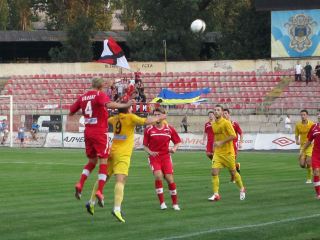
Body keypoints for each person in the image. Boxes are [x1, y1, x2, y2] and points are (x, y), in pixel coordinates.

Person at [86, 106, 166, 223]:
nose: (131, 110)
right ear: (128, 110)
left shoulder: (115, 118)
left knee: (104, 178)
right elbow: (146, 121)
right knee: (121, 180)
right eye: (130, 108)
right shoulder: (130, 117)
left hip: (112, 152)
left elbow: (103, 120)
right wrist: (160, 118)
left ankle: (91, 202)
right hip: (122, 155)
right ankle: (117, 209)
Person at [69, 78, 133, 203]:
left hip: (87, 132)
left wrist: (89, 116)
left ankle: (80, 183)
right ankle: (100, 191)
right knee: (103, 160)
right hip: (99, 132)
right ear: (100, 87)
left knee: (92, 161)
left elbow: (71, 112)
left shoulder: (83, 97)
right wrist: (126, 105)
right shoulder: (99, 95)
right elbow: (109, 105)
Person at [143, 107, 181, 211]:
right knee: (158, 176)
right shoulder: (149, 129)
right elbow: (145, 146)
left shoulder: (169, 129)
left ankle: (175, 204)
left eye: (158, 114)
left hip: (166, 157)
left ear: (164, 116)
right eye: (155, 115)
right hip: (154, 157)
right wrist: (150, 152)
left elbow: (178, 141)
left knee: (170, 179)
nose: (156, 117)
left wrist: (174, 148)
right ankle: (162, 203)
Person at [208, 104, 246, 201]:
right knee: (214, 172)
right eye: (215, 110)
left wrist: (221, 142)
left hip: (228, 153)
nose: (216, 111)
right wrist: (214, 147)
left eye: (218, 110)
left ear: (221, 112)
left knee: (233, 172)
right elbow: (216, 137)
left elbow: (233, 135)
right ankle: (216, 194)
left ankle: (242, 188)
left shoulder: (226, 123)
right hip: (218, 153)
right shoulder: (213, 124)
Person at [223, 108, 243, 182]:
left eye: (225, 113)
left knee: (230, 163)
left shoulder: (234, 124)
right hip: (225, 146)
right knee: (227, 163)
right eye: (223, 114)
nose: (224, 115)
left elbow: (241, 133)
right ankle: (236, 167)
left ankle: (234, 177)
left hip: (233, 145)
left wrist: (241, 142)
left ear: (229, 114)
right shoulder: (222, 124)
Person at [303, 112, 320, 199]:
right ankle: (318, 194)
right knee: (316, 172)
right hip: (316, 154)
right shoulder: (314, 127)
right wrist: (302, 151)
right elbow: (309, 141)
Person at [295, 109, 314, 184]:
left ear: (307, 115)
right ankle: (311, 168)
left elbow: (315, 134)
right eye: (301, 115)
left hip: (310, 145)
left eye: (304, 115)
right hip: (302, 146)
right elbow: (296, 134)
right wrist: (296, 140)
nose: (302, 116)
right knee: (302, 165)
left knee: (308, 162)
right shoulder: (298, 125)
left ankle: (309, 178)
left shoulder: (312, 124)